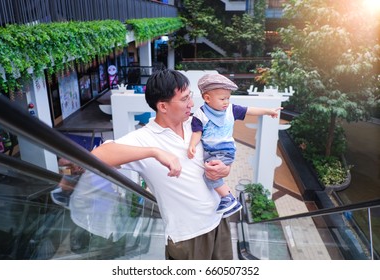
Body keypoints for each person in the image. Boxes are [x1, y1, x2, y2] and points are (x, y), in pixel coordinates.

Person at [90, 69, 233, 260]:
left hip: (219, 220)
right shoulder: (144, 138)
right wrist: (154, 152)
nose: (191, 103)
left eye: (189, 96)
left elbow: (222, 152)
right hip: (187, 236)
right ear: (163, 107)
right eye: (184, 99)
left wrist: (225, 168)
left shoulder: (197, 124)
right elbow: (97, 156)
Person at [188, 73, 282, 218]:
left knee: (210, 175)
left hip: (225, 150)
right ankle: (226, 198)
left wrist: (268, 111)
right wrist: (192, 145)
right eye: (222, 99)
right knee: (210, 174)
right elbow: (197, 132)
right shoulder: (200, 114)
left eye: (228, 98)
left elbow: (249, 110)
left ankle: (228, 198)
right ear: (207, 98)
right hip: (209, 152)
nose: (226, 102)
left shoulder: (231, 110)